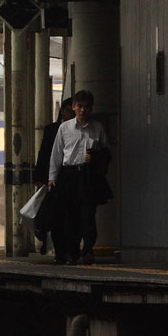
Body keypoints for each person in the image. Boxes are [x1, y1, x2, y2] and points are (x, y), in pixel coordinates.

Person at [47, 89, 111, 265]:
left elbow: (106, 154)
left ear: (91, 108)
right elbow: (57, 154)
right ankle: (71, 252)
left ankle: (88, 249)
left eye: (87, 107)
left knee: (88, 214)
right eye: (80, 106)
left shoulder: (97, 128)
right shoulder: (64, 128)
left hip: (88, 176)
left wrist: (95, 158)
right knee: (69, 215)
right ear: (74, 107)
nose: (83, 110)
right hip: (69, 175)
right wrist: (52, 177)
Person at [33, 97, 73, 256]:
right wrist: (40, 177)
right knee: (54, 213)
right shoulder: (52, 130)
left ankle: (68, 250)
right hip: (53, 179)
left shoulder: (81, 129)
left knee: (69, 215)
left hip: (70, 177)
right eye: (69, 110)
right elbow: (44, 154)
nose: (72, 113)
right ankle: (51, 244)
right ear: (62, 111)